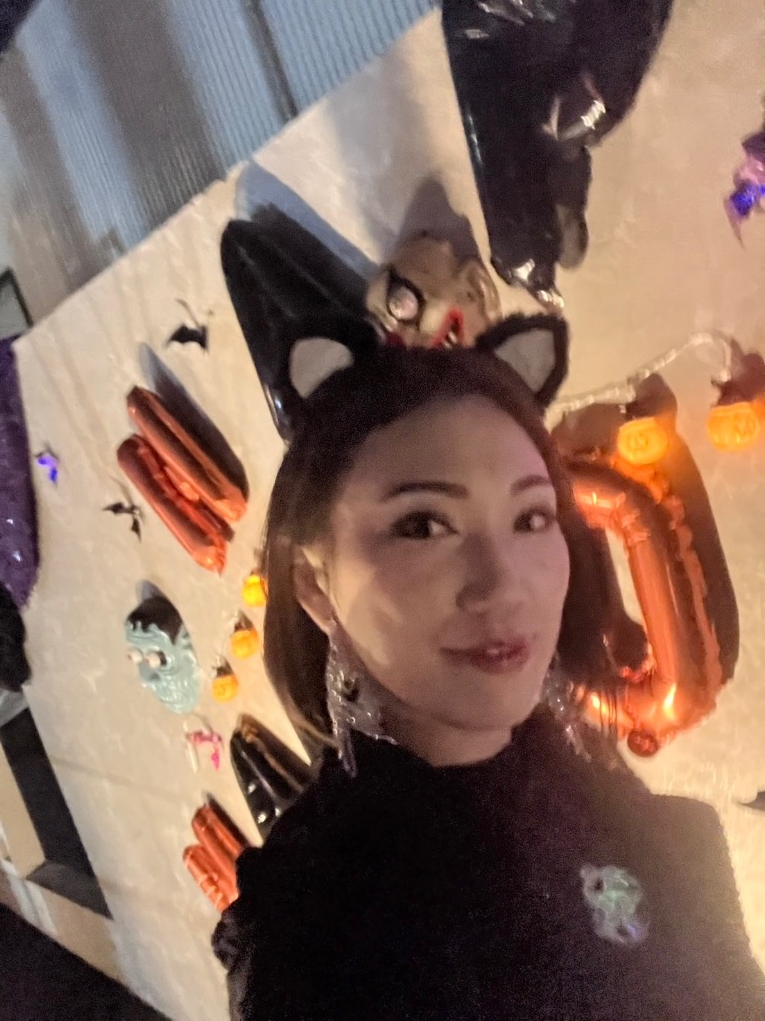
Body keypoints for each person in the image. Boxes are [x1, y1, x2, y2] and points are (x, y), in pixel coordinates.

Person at [213, 346, 765, 1020]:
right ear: (314, 585)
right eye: (422, 526)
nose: (502, 585)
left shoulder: (627, 818)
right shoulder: (316, 938)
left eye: (531, 518)